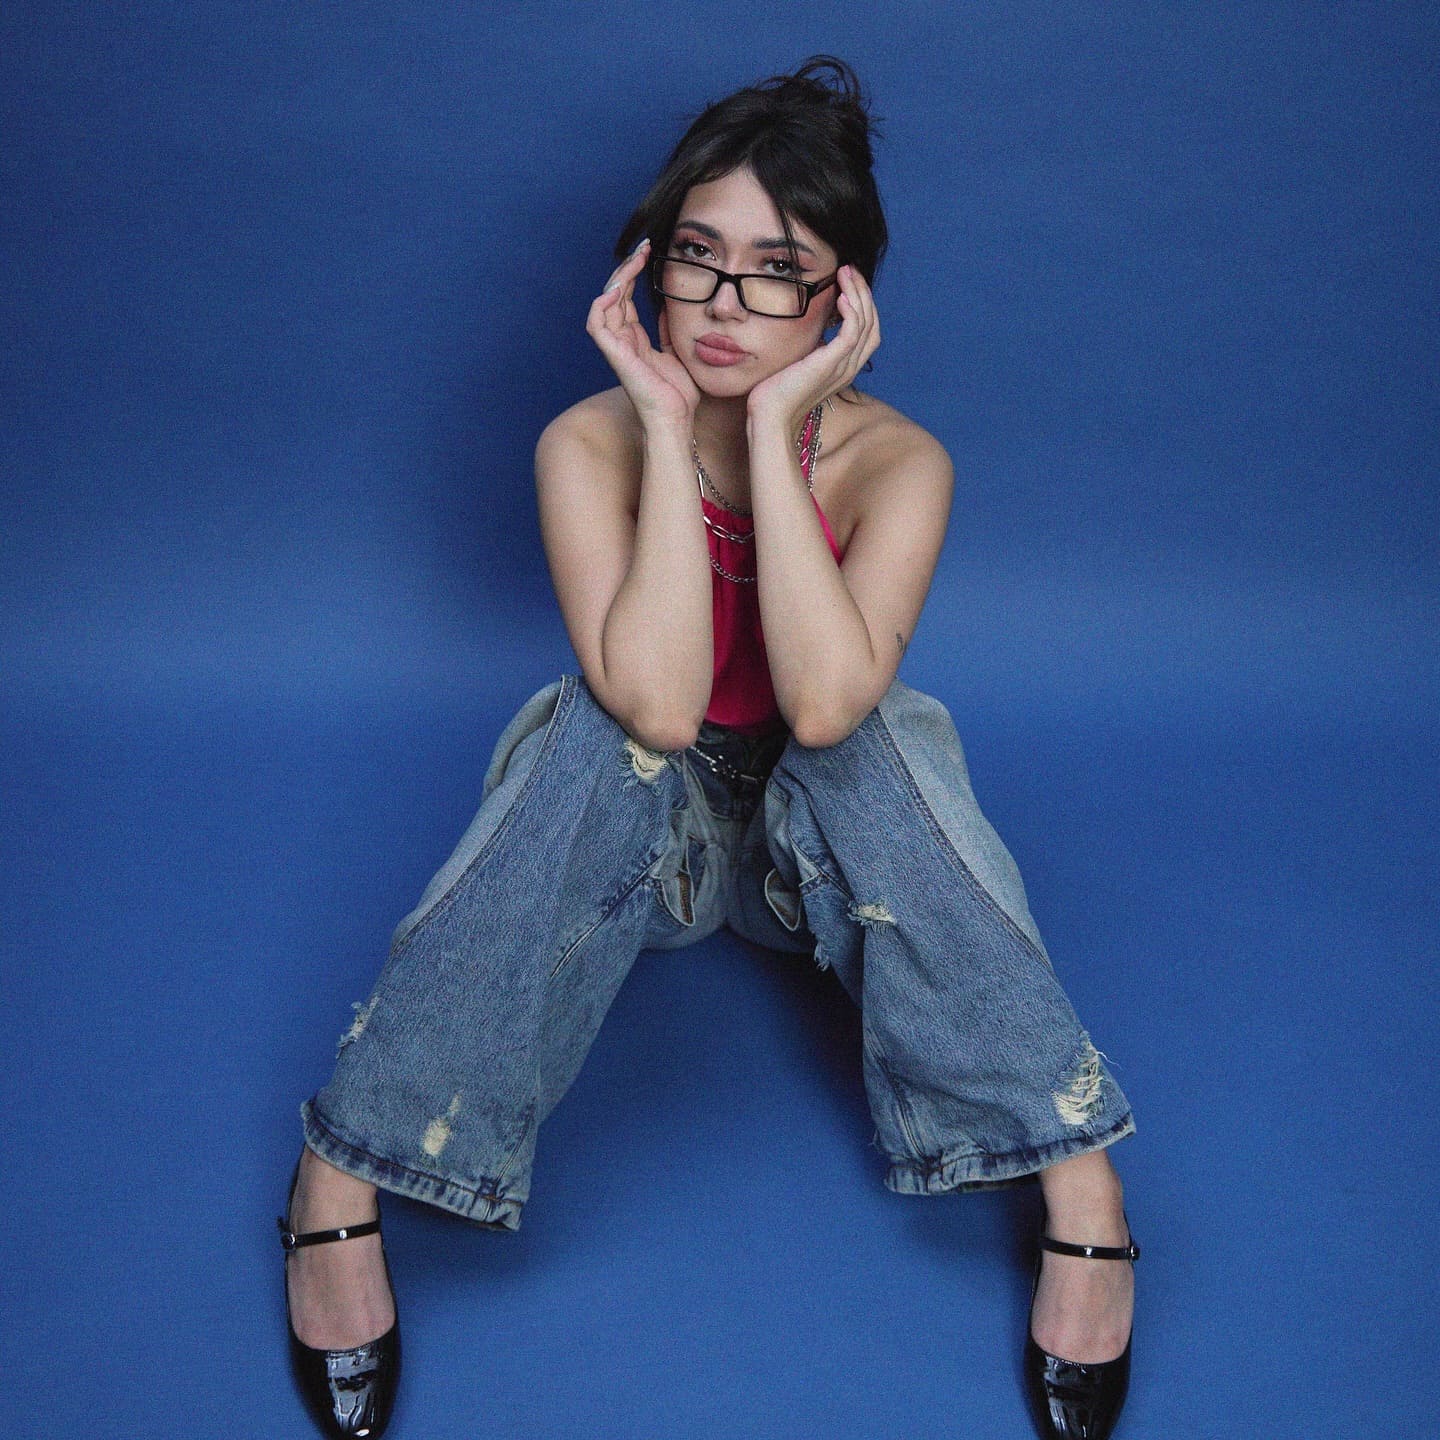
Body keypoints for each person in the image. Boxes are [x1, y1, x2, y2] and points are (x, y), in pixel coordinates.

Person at [277, 56, 1140, 1440]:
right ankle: (344, 1169)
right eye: (698, 257)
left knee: (878, 738)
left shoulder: (900, 464)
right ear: (649, 268)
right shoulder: (588, 444)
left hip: (820, 858)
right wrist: (671, 424)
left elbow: (826, 706)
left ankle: (1075, 1172)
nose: (727, 302)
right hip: (650, 846)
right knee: (594, 731)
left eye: (777, 271)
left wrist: (780, 430)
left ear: (843, 299)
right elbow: (663, 710)